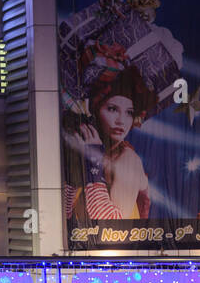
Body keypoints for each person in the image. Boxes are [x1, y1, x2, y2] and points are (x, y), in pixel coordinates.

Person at [64, 66, 153, 221]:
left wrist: (94, 165)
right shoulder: (89, 149)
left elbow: (113, 226)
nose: (121, 120)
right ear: (95, 110)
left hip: (119, 244)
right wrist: (73, 175)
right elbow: (62, 216)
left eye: (129, 112)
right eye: (112, 109)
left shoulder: (128, 160)